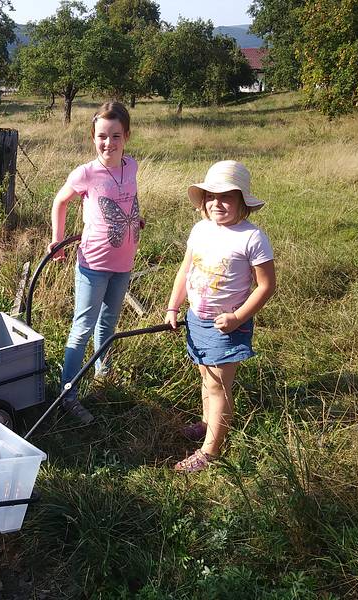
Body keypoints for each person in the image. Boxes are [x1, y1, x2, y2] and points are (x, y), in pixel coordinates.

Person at [164, 160, 276, 472]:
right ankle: (206, 422)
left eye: (227, 197)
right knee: (205, 377)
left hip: (227, 325)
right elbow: (185, 270)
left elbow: (266, 286)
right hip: (196, 319)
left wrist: (238, 317)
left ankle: (210, 451)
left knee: (218, 385)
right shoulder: (200, 230)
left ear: (242, 202)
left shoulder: (251, 238)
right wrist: (174, 306)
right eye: (211, 196)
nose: (218, 203)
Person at [49, 101, 143, 424]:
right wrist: (57, 239)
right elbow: (60, 202)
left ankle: (103, 373)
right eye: (102, 136)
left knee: (109, 323)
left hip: (124, 262)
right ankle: (68, 395)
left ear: (126, 136)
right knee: (83, 328)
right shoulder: (86, 173)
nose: (109, 143)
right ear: (93, 137)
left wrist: (136, 218)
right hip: (93, 263)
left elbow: (130, 196)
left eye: (116, 136)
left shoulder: (131, 166)